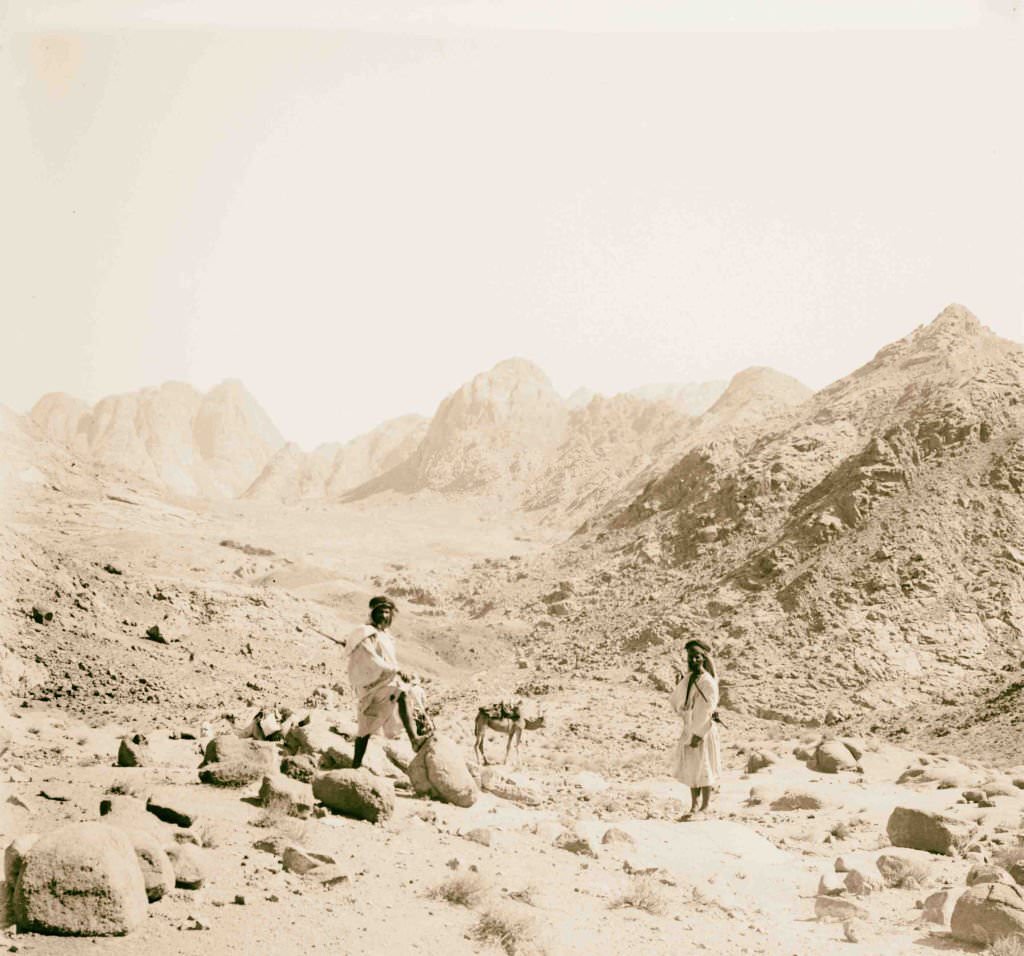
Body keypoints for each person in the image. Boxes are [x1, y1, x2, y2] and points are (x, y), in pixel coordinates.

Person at [325, 595, 430, 768]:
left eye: (387, 612)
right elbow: (371, 659)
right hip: (371, 685)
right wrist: (396, 670)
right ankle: (356, 764)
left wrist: (395, 671)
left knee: (402, 694)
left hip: (385, 682)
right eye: (380, 611)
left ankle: (414, 739)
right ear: (373, 613)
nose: (384, 615)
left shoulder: (385, 635)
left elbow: (385, 657)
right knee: (365, 728)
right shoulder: (365, 632)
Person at [669, 638, 721, 818]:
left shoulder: (708, 682)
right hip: (690, 728)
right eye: (691, 657)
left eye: (697, 657)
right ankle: (694, 806)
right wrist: (683, 710)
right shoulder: (690, 678)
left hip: (703, 731)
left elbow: (707, 710)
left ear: (703, 658)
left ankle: (705, 807)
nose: (694, 660)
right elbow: (677, 699)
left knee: (704, 766)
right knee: (693, 767)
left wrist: (698, 734)